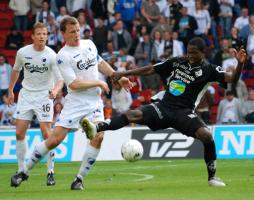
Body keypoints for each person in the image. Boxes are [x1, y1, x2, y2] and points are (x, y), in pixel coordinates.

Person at [81, 37, 247, 187]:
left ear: (203, 53)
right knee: (133, 114)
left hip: (184, 113)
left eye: (194, 53)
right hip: (163, 107)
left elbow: (232, 79)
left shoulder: (210, 70)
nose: (189, 55)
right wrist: (123, 73)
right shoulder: (177, 62)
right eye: (188, 52)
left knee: (207, 136)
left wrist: (240, 63)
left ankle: (212, 177)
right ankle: (97, 128)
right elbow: (150, 69)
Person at [10, 16, 132, 190]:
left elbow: (100, 63)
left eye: (78, 31)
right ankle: (24, 171)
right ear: (63, 34)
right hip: (75, 102)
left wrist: (117, 77)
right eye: (72, 32)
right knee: (54, 140)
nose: (76, 34)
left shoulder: (89, 44)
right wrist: (99, 82)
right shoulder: (62, 56)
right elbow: (74, 84)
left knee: (99, 136)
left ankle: (79, 179)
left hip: (94, 103)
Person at [8, 22, 64, 187]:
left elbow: (60, 79)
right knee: (19, 132)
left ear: (47, 36)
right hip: (26, 95)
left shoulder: (52, 55)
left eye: (44, 34)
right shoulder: (23, 53)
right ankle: (21, 170)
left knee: (47, 134)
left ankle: (50, 172)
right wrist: (11, 90)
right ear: (32, 36)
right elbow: (16, 70)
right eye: (39, 34)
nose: (42, 37)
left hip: (44, 96)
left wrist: (54, 91)